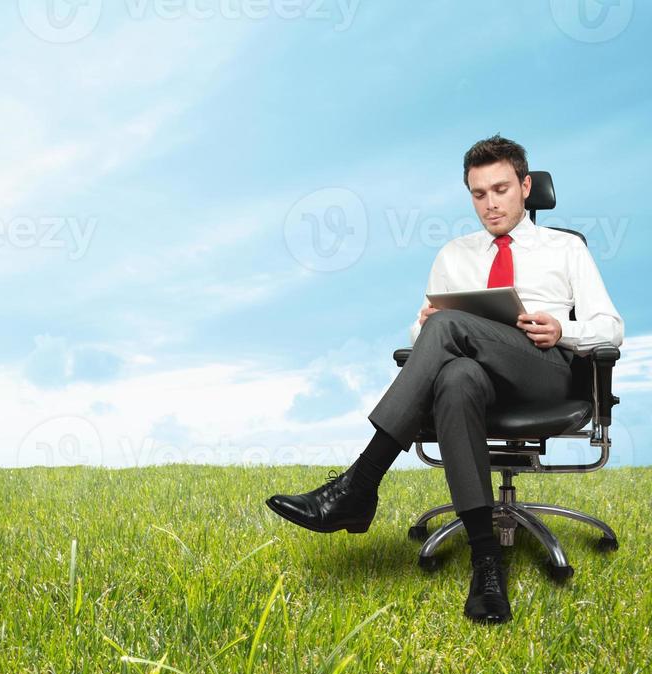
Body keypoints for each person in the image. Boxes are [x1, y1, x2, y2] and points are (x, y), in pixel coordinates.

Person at [265, 134, 624, 625]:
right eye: (479, 194)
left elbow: (611, 327)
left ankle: (359, 485)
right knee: (455, 377)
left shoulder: (565, 248)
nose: (490, 204)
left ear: (524, 186)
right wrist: (424, 322)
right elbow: (428, 338)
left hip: (544, 372)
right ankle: (486, 563)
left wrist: (564, 328)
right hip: (478, 375)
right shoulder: (455, 253)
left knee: (449, 328)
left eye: (501, 190)